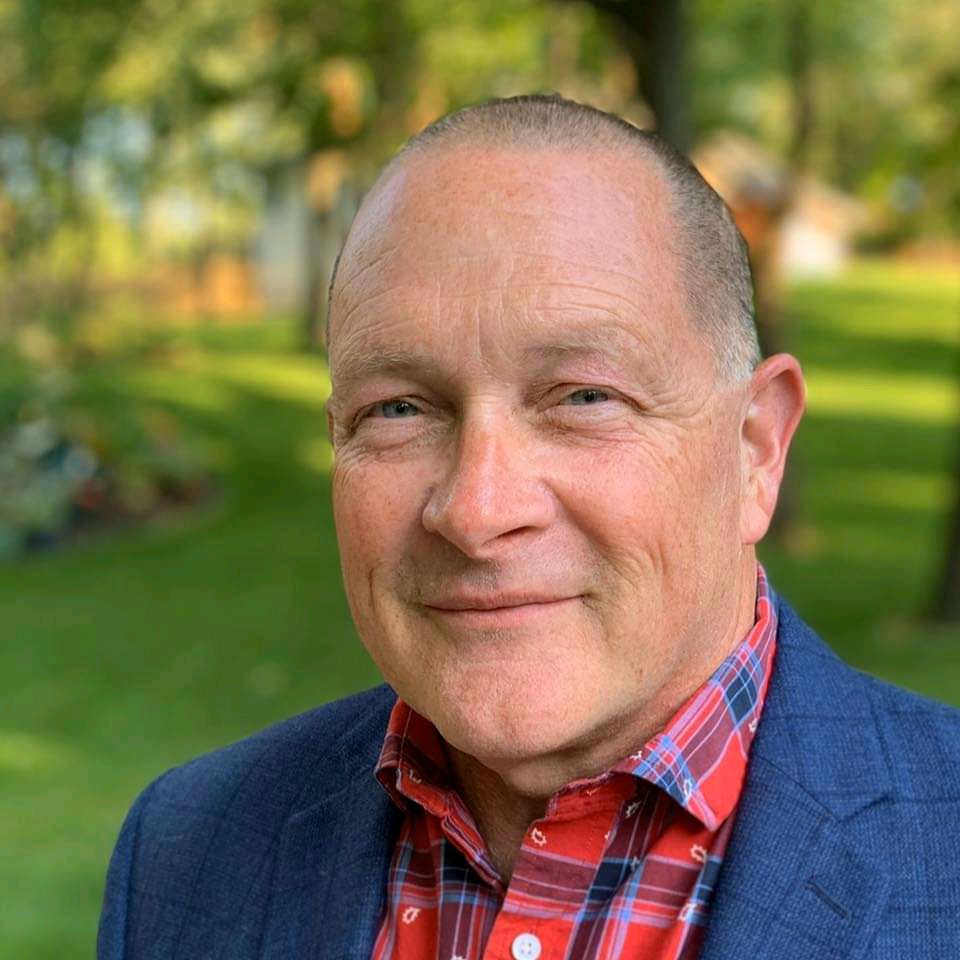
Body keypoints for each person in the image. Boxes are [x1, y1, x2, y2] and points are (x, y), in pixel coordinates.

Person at [98, 95, 960, 960]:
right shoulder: (188, 852)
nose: (477, 511)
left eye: (584, 396)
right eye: (399, 409)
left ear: (756, 449)